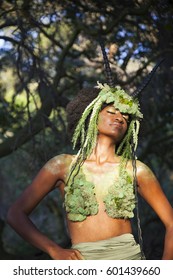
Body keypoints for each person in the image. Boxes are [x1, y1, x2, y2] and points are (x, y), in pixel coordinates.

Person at [6, 47, 173, 260]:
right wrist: (53, 249)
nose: (119, 117)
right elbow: (15, 214)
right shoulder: (62, 166)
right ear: (92, 116)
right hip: (82, 264)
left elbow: (171, 223)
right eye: (111, 111)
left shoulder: (136, 170)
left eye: (125, 116)